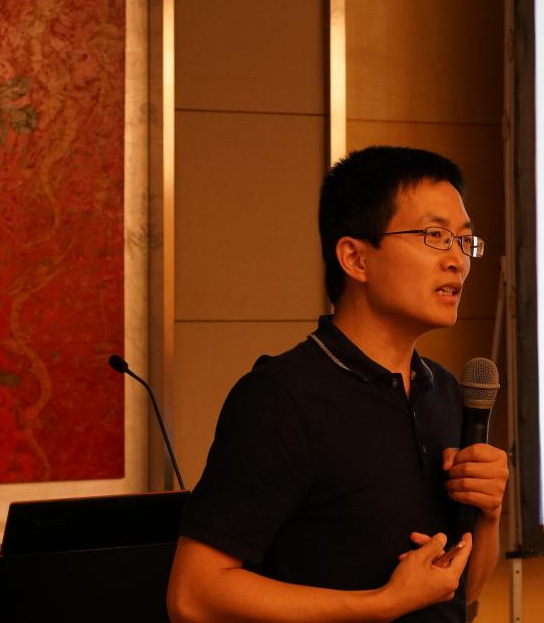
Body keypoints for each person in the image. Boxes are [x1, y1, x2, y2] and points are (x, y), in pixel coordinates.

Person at [167, 146, 509, 622]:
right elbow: (193, 595)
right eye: (435, 236)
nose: (457, 260)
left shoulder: (447, 393)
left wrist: (488, 515)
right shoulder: (281, 398)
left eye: (464, 241)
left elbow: (462, 595)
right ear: (355, 258)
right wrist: (382, 604)